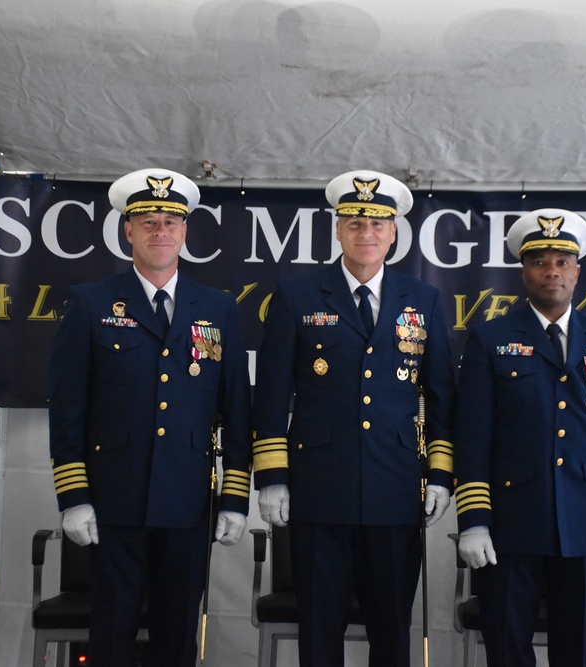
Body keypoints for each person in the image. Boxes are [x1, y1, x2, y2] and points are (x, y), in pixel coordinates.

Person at [48, 168, 253, 666]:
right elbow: (68, 406)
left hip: (188, 502)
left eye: (170, 221)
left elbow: (238, 410)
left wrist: (235, 497)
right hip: (114, 499)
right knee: (111, 632)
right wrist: (73, 495)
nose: (160, 230)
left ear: (185, 232)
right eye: (148, 221)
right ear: (128, 230)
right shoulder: (90, 302)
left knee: (179, 633)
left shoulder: (219, 308)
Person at [252, 170, 456, 667]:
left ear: (394, 233)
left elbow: (442, 394)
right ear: (337, 230)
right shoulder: (297, 296)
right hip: (319, 489)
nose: (366, 233)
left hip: (394, 488)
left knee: (391, 629)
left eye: (378, 224)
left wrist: (441, 474)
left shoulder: (423, 299)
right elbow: (273, 392)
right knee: (319, 630)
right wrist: (273, 477)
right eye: (355, 222)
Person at [453, 209, 586, 666]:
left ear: (578, 271)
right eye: (541, 261)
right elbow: (472, 436)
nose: (552, 270)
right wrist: (474, 518)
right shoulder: (490, 338)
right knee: (507, 649)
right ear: (523, 271)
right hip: (509, 524)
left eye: (563, 261)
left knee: (581, 652)